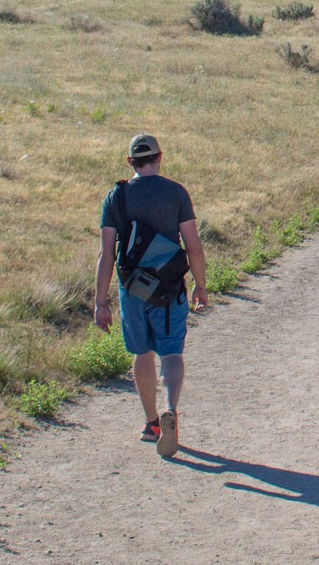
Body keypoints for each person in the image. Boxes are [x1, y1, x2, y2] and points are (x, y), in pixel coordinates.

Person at [94, 133, 208, 459]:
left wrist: (101, 303)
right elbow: (194, 246)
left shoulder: (115, 197)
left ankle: (152, 424)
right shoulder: (176, 193)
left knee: (142, 354)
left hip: (132, 290)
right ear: (160, 157)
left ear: (130, 161)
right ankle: (171, 407)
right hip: (169, 287)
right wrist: (200, 285)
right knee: (171, 353)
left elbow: (106, 254)